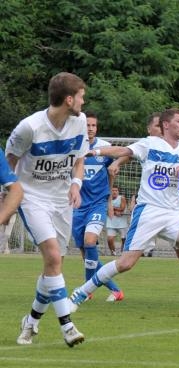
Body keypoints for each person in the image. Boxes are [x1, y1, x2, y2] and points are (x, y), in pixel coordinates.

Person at [69, 108, 179, 313]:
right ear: (166, 125)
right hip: (149, 212)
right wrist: (96, 152)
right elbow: (122, 151)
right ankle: (80, 292)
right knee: (125, 263)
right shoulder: (150, 144)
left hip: (172, 213)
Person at [7, 72, 88, 347]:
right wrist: (12, 193)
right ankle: (68, 326)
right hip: (32, 198)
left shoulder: (80, 123)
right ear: (68, 99)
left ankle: (30, 322)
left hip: (62, 201)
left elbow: (79, 160)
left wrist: (76, 184)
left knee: (54, 266)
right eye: (81, 96)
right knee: (53, 256)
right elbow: (9, 161)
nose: (83, 101)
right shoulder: (29, 127)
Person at [71, 111, 124, 304]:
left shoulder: (104, 148)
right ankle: (116, 290)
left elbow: (124, 153)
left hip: (98, 204)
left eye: (93, 125)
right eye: (87, 125)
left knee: (90, 241)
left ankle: (85, 291)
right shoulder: (74, 147)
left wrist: (116, 163)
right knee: (86, 253)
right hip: (77, 206)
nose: (90, 128)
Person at [0, 150, 23, 246]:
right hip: (6, 206)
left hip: (13, 208)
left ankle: (4, 248)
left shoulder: (16, 179)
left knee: (7, 233)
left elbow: (17, 191)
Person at [106, 186, 129, 255]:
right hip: (111, 222)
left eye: (116, 190)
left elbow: (122, 208)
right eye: (112, 190)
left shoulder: (121, 198)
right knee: (110, 239)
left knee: (124, 239)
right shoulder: (107, 199)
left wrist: (111, 209)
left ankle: (123, 252)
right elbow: (105, 209)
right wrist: (114, 211)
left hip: (122, 223)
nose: (114, 192)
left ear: (118, 192)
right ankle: (113, 252)